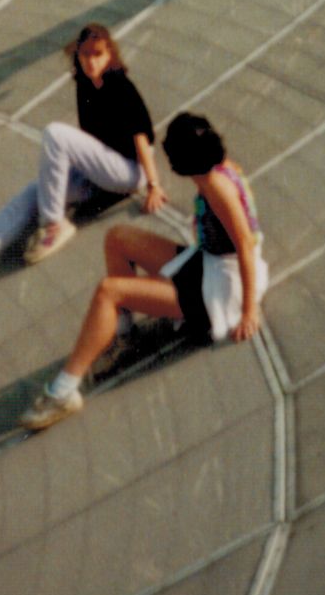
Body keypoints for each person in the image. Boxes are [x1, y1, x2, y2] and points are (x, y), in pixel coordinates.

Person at [21, 109, 267, 429]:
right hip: (211, 263)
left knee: (108, 292)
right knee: (118, 238)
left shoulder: (216, 185)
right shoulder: (219, 169)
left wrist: (248, 311)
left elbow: (245, 244)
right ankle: (122, 333)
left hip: (222, 288)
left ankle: (63, 392)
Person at [0, 23, 164, 302]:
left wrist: (153, 185)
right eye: (86, 54)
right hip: (98, 171)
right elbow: (88, 142)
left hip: (130, 170)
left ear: (110, 54)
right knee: (30, 195)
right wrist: (60, 180)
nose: (91, 61)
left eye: (98, 54)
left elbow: (140, 138)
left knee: (55, 133)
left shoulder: (120, 87)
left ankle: (53, 225)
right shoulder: (84, 84)